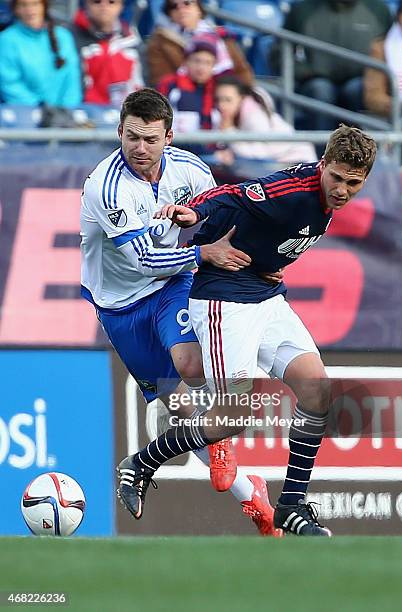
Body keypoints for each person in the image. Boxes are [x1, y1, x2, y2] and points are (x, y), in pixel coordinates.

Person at [117, 124, 377, 537]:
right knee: (233, 417)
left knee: (317, 389)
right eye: (337, 178)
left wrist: (265, 263)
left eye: (353, 183)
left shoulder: (324, 200)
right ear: (323, 165)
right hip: (224, 299)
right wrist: (196, 212)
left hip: (266, 296)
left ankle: (291, 506)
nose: (343, 189)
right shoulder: (293, 192)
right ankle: (141, 463)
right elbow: (235, 194)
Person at [80, 87, 283, 536]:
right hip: (119, 303)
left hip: (173, 284)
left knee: (190, 362)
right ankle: (254, 497)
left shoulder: (193, 171)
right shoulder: (106, 186)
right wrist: (204, 254)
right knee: (183, 413)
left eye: (150, 139)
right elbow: (143, 261)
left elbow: (229, 221)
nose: (140, 148)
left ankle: (224, 438)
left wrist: (257, 259)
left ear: (169, 137)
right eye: (131, 137)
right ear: (119, 132)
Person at [272, 0, 392, 132]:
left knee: (356, 90)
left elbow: (394, 50)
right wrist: (305, 72)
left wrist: (375, 77)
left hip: (363, 80)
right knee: (321, 90)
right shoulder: (303, 10)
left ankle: (353, 150)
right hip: (315, 80)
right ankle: (322, 150)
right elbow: (279, 52)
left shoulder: (378, 9)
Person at [213, 75, 317, 166]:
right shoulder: (226, 116)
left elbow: (259, 154)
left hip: (298, 161)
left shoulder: (254, 116)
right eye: (218, 100)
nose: (221, 105)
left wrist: (229, 132)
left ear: (241, 98)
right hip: (278, 164)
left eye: (228, 100)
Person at [146, 0, 253, 88]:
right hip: (188, 99)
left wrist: (238, 95)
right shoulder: (161, 41)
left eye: (187, 3)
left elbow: (242, 72)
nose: (181, 9)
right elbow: (161, 82)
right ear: (169, 14)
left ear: (199, 9)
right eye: (174, 6)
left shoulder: (220, 35)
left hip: (229, 95)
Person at [0, 0, 81, 108]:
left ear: (44, 6)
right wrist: (40, 108)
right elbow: (9, 84)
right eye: (23, 5)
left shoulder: (63, 36)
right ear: (16, 9)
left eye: (35, 4)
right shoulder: (6, 40)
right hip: (26, 114)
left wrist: (68, 108)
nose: (30, 10)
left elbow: (72, 78)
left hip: (66, 115)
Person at [71, 0, 145, 107]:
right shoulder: (70, 38)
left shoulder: (132, 40)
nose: (104, 6)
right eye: (97, 2)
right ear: (86, 4)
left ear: (121, 6)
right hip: (86, 112)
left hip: (129, 113)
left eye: (111, 2)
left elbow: (143, 82)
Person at [364, 0, 402, 119]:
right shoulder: (380, 48)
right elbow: (374, 96)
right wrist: (401, 107)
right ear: (398, 17)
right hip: (395, 118)